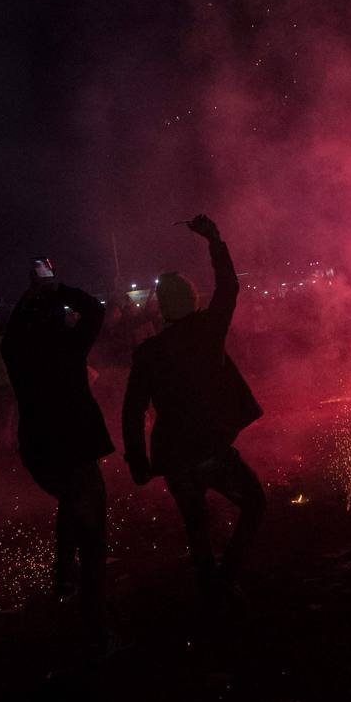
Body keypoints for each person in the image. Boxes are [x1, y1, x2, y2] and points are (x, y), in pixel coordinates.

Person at [122, 215, 265, 602]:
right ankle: (226, 578)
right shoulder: (208, 330)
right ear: (192, 300)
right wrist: (214, 239)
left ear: (163, 309)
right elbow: (229, 286)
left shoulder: (149, 353)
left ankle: (211, 589)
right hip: (209, 447)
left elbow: (132, 410)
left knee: (196, 526)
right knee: (254, 502)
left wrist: (137, 459)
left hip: (173, 454)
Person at [1, 259, 114, 653]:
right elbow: (95, 309)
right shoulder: (67, 346)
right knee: (94, 539)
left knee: (71, 503)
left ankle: (64, 575)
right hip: (75, 449)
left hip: (40, 451)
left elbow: (12, 332)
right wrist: (55, 288)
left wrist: (33, 295)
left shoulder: (15, 352)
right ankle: (97, 634)